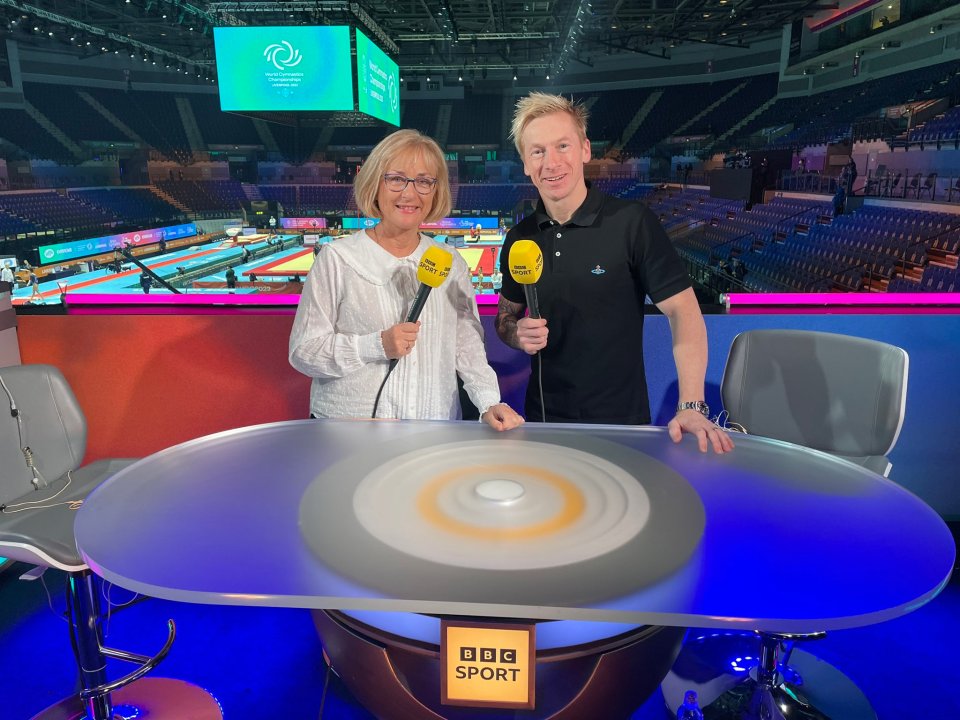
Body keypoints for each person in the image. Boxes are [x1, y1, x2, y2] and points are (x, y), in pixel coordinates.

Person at [496, 92, 732, 454]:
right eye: (538, 151)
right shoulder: (520, 238)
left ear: (585, 150)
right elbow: (505, 317)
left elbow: (683, 312)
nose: (551, 162)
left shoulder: (630, 222)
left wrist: (691, 405)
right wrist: (516, 334)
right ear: (526, 163)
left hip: (621, 428)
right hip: (544, 425)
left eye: (562, 146)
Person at [290, 129, 522, 431]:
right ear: (375, 183)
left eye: (424, 181)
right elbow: (304, 352)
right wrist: (376, 345)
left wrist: (489, 402)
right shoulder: (337, 260)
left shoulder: (451, 263)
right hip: (349, 435)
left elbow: (466, 346)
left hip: (433, 432)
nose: (409, 193)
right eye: (396, 178)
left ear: (436, 191)